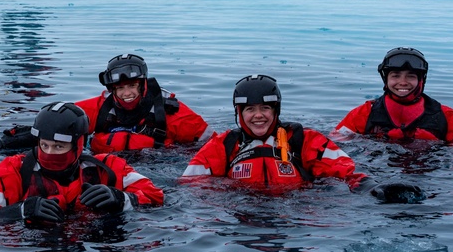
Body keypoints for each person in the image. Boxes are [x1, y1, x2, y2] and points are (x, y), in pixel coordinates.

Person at [179, 75, 422, 202]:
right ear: (239, 113)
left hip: (296, 212)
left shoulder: (303, 139)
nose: (258, 116)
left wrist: (372, 188)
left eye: (265, 108)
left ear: (276, 110)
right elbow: (190, 186)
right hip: (239, 214)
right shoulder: (224, 145)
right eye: (250, 109)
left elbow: (345, 171)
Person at [0, 102, 164, 224]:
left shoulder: (106, 167)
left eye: (58, 147)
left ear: (78, 145)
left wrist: (122, 199)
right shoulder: (16, 169)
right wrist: (19, 211)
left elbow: (155, 196)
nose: (49, 153)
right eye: (44, 145)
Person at [0, 53, 208, 154]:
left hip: (159, 168)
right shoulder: (98, 108)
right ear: (111, 89)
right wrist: (6, 142)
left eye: (132, 86)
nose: (127, 94)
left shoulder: (171, 113)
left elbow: (210, 145)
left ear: (143, 84)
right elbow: (55, 124)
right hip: (108, 168)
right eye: (120, 88)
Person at [334, 47, 453, 143]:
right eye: (395, 76)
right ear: (386, 79)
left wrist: (431, 145)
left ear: (421, 80)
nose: (403, 82)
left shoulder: (450, 118)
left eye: (411, 76)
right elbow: (335, 147)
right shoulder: (362, 114)